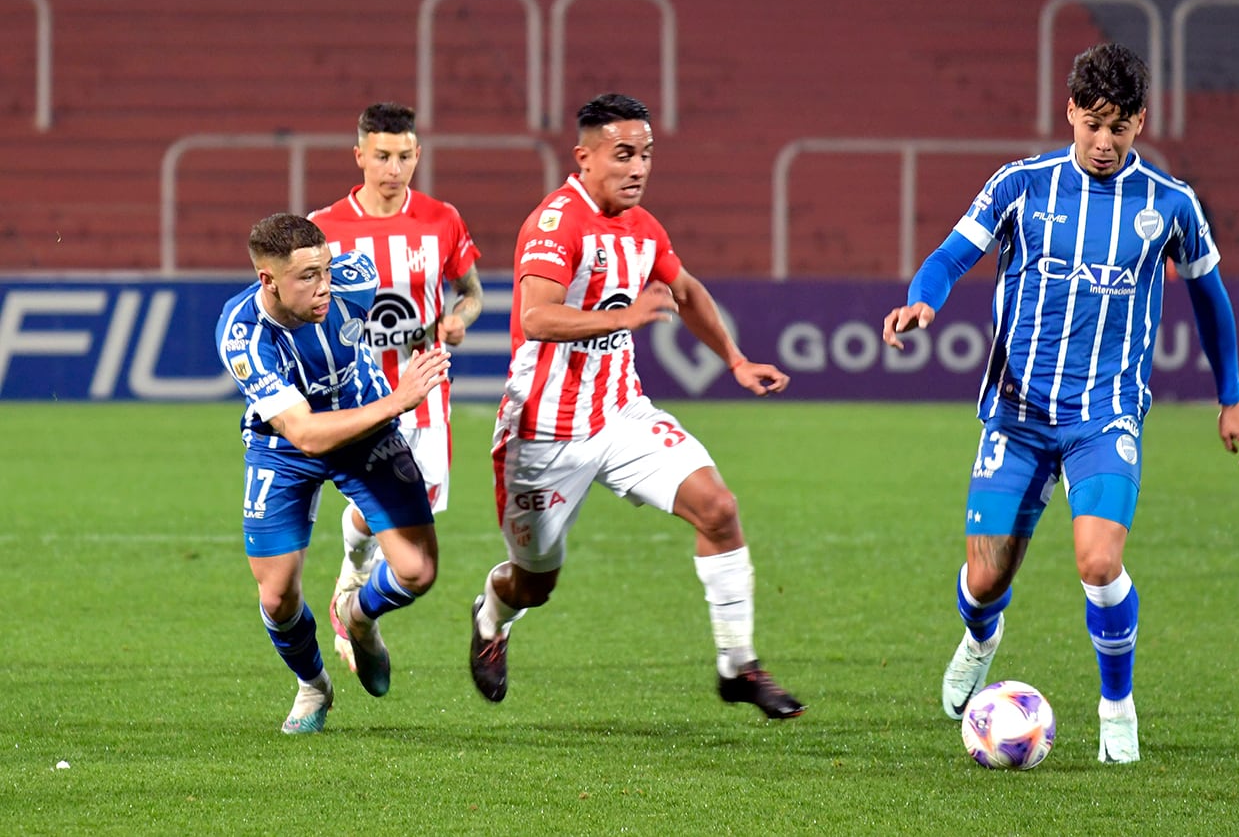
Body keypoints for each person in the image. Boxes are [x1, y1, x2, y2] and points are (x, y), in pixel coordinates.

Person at [881, 43, 1239, 763]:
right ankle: (981, 636)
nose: (1104, 142)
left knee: (1096, 562)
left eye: (1118, 126)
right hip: (1018, 414)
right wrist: (921, 303)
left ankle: (1116, 704)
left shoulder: (1170, 204)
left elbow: (1211, 300)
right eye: (1092, 124)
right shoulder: (1021, 186)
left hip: (1105, 416)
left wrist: (1231, 398)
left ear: (1141, 120)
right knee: (987, 576)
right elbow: (949, 257)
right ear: (1070, 114)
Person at [466, 93, 804, 720]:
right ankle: (491, 613)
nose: (639, 168)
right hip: (543, 430)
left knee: (719, 508)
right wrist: (621, 317)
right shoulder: (555, 223)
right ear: (585, 157)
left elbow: (687, 291)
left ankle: (738, 665)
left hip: (621, 413)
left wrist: (734, 359)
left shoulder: (642, 226)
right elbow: (535, 316)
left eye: (646, 154)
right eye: (624, 154)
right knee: (535, 581)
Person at [216, 213, 451, 733]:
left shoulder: (356, 277)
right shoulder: (243, 336)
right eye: (307, 277)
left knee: (419, 571)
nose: (325, 285)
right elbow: (303, 433)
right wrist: (398, 399)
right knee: (277, 597)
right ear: (268, 281)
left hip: (365, 432)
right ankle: (313, 686)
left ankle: (358, 615)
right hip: (285, 447)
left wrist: (437, 331)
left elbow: (404, 319)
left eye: (326, 269)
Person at [307, 102, 484, 675]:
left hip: (426, 385)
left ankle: (352, 584)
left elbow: (472, 291)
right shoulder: (325, 227)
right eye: (382, 155)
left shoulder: (442, 219)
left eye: (404, 155)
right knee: (380, 505)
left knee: (418, 507)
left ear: (417, 156)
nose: (393, 167)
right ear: (359, 156)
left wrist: (462, 317)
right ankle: (356, 585)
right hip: (358, 388)